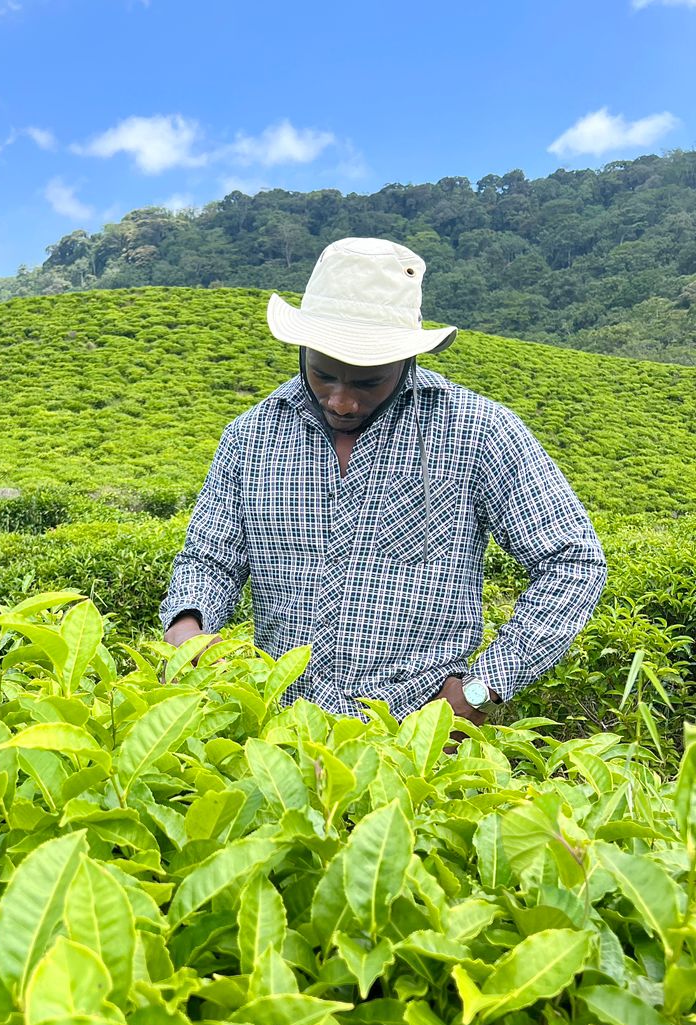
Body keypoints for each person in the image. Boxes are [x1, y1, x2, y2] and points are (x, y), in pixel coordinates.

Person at [160, 238, 606, 724]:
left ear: (407, 359)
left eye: (368, 382)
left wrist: (482, 689)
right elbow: (209, 560)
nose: (342, 401)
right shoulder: (252, 435)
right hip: (281, 727)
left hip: (420, 735)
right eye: (323, 376)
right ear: (302, 350)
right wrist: (188, 625)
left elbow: (573, 561)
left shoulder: (476, 430)